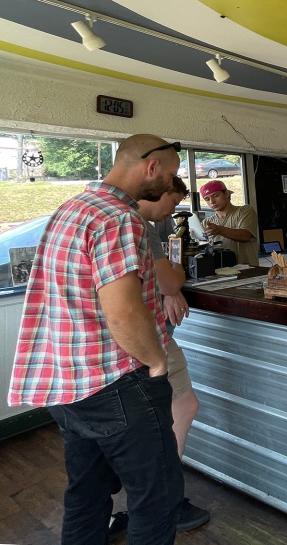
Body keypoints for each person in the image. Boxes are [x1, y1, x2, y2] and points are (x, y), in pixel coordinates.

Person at [7, 134, 184, 545]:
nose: (170, 184)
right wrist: (156, 364)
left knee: (86, 494)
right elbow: (122, 311)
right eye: (172, 174)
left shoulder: (72, 208)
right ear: (152, 167)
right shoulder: (119, 218)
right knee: (156, 499)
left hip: (67, 384)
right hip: (116, 384)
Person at [107, 176, 210, 538]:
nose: (173, 211)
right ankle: (166, 497)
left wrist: (166, 288)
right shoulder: (136, 224)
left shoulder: (88, 216)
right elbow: (170, 280)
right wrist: (172, 283)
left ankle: (128, 502)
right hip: (146, 339)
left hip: (113, 347)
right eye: (172, 202)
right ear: (161, 192)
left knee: (121, 433)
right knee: (182, 407)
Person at [199, 179, 259, 265]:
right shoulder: (206, 222)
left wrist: (219, 230)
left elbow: (246, 235)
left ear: (226, 194)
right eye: (207, 199)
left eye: (215, 195)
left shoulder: (244, 211)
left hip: (247, 271)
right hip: (220, 272)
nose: (212, 201)